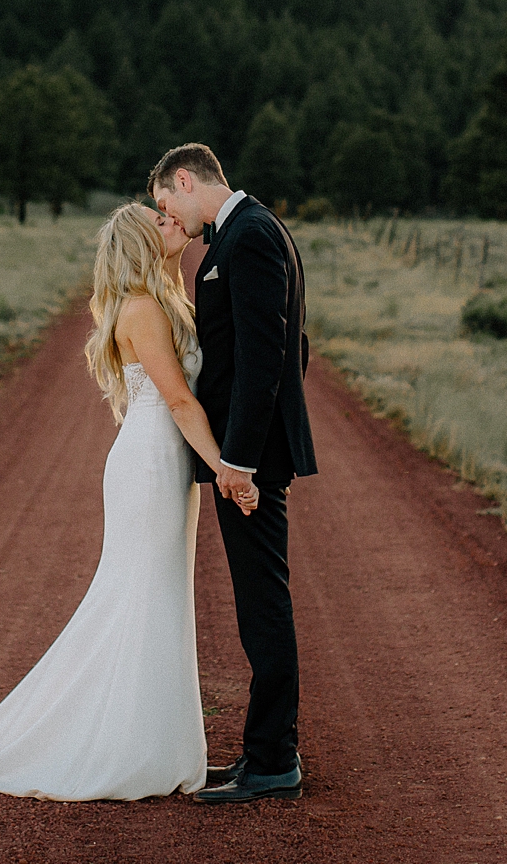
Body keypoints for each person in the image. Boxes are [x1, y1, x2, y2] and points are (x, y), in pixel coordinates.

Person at [0, 201, 254, 800]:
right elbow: (178, 400)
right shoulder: (144, 308)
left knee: (158, 596)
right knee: (137, 595)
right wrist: (225, 468)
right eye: (162, 223)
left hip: (165, 466)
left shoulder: (165, 295)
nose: (173, 221)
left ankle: (149, 737)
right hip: (149, 464)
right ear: (143, 245)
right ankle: (123, 744)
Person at [149, 142, 316, 804]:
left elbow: (267, 353)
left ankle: (273, 759)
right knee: (258, 600)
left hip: (252, 461)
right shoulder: (247, 231)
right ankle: (262, 754)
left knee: (262, 602)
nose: (170, 218)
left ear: (185, 181)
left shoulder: (248, 237)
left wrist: (240, 458)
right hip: (254, 451)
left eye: (167, 204)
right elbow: (286, 348)